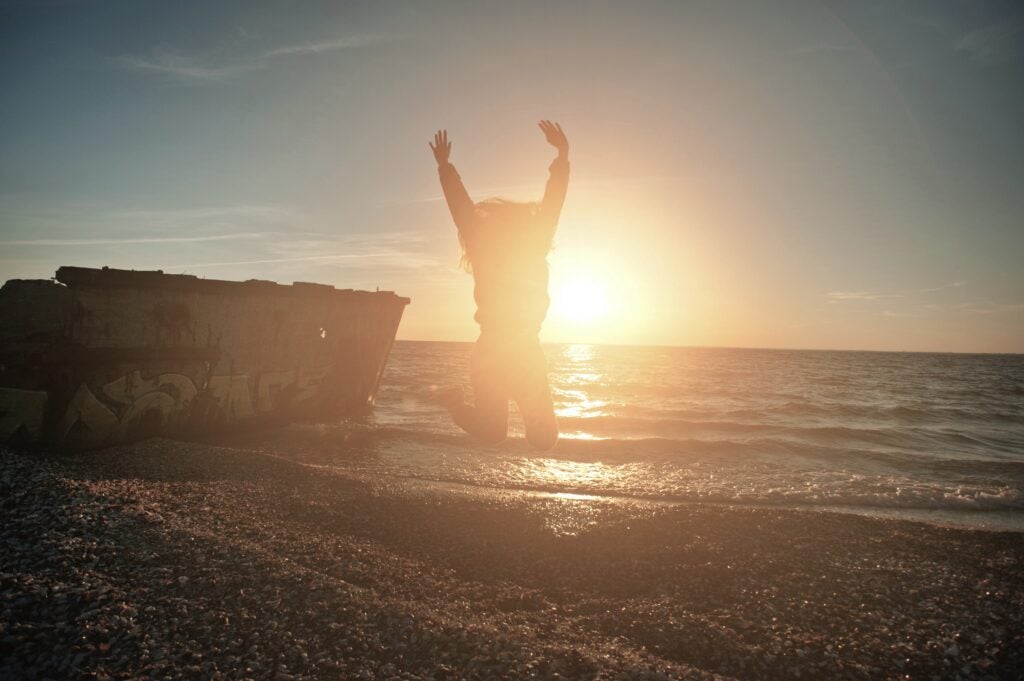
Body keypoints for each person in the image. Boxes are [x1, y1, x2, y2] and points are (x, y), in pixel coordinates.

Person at [429, 121, 570, 451]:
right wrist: (445, 168)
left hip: (524, 350)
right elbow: (461, 211)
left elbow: (553, 203)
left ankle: (456, 403)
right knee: (493, 432)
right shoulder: (484, 249)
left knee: (545, 439)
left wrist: (563, 156)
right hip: (493, 350)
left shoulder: (533, 245)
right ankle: (453, 402)